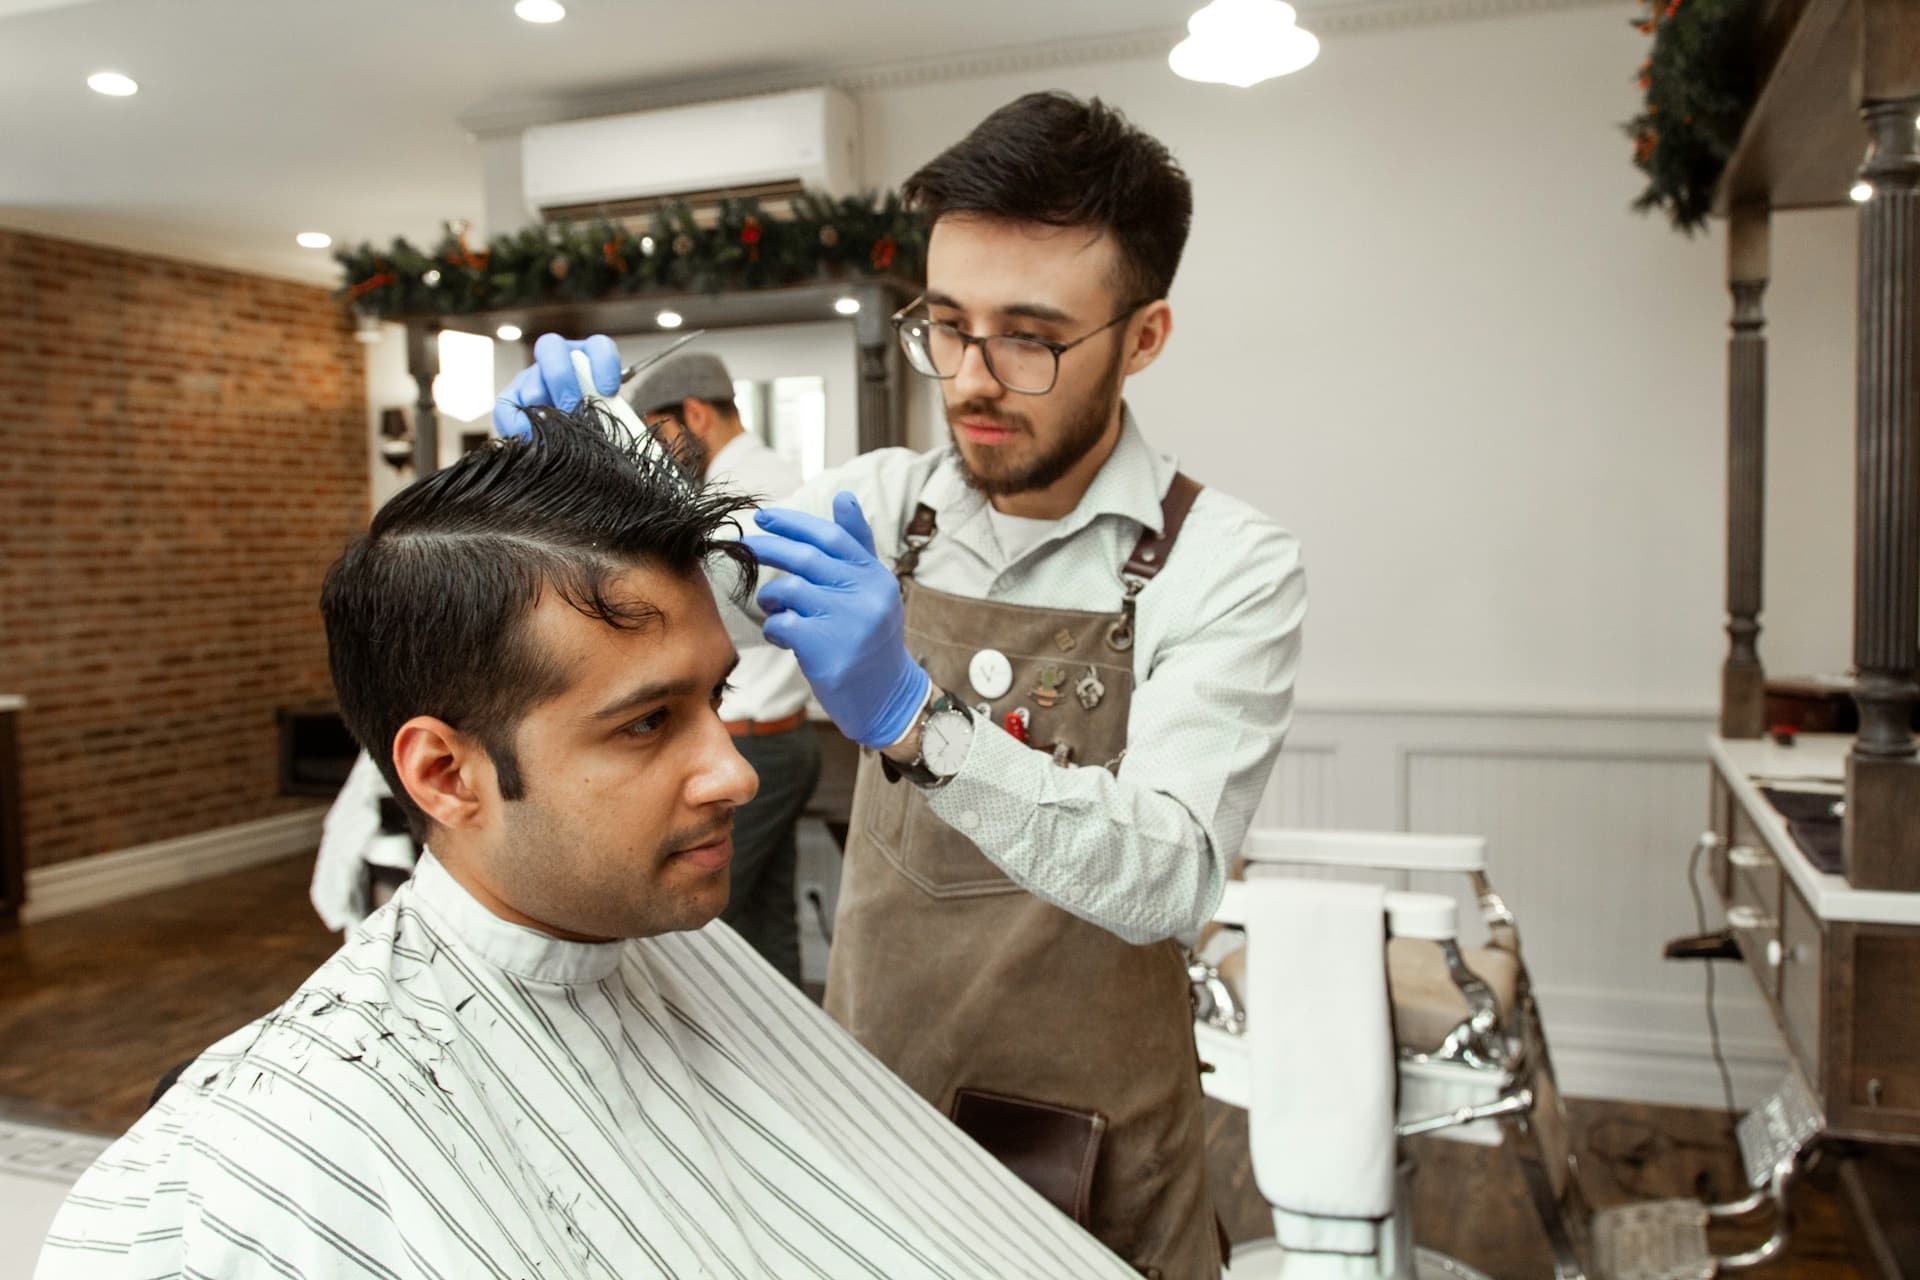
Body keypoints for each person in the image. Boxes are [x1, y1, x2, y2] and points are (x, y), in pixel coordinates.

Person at [34, 400, 1142, 1280]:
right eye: (648, 722)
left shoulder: (668, 940)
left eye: (716, 697)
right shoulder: (256, 1159)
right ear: (442, 771)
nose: (735, 769)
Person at [498, 92, 1308, 1280]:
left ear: (1143, 337)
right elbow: (688, 581)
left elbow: (1172, 873)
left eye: (1030, 335)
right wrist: (588, 457)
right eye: (946, 323)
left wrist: (917, 724)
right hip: (869, 1097)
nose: (972, 378)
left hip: (1086, 1140)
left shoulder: (1225, 563)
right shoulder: (881, 505)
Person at [629, 352, 818, 986]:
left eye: (659, 434)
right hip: (776, 738)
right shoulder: (769, 473)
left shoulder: (747, 494)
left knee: (695, 942)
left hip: (753, 742)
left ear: (697, 414)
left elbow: (697, 617)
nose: (657, 454)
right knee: (767, 927)